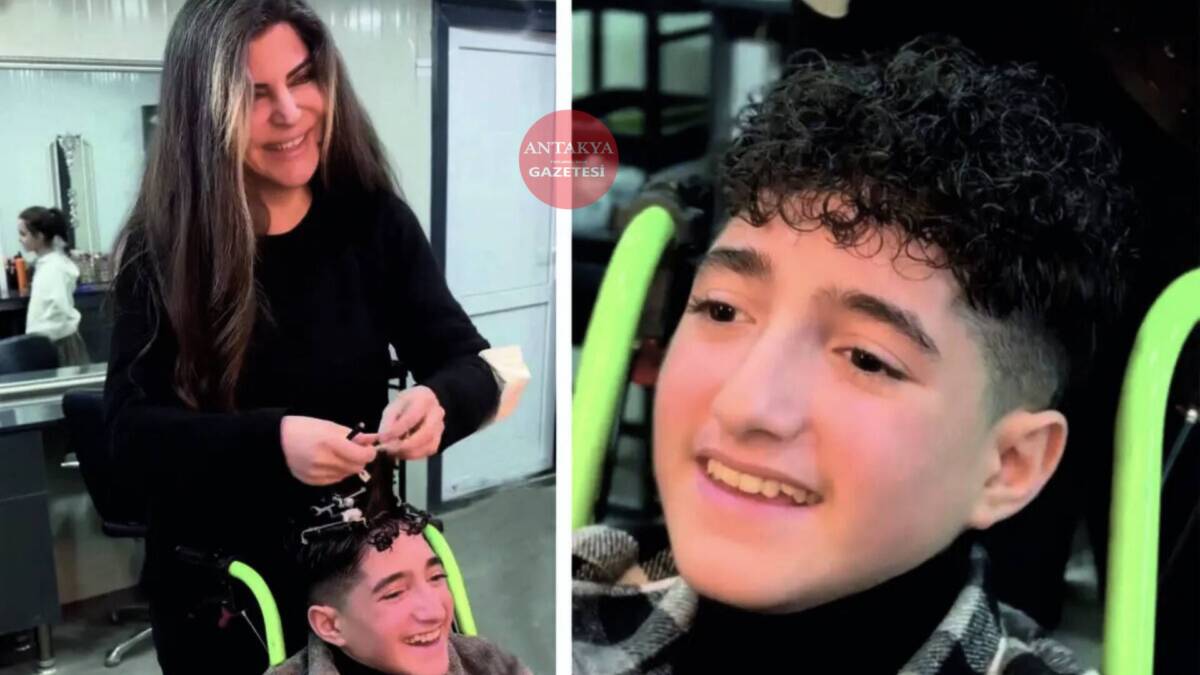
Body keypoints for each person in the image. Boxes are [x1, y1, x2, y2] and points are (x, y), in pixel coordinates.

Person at [572, 36, 1134, 674]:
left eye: (867, 359)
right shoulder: (567, 601)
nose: (746, 404)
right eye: (723, 311)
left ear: (1008, 465)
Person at [103, 1, 499, 672]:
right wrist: (272, 443)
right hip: (220, 597)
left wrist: (442, 401)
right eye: (255, 95)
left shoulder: (373, 223)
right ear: (205, 116)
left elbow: (471, 364)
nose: (290, 112)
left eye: (302, 78)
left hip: (361, 587)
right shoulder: (162, 251)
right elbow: (129, 437)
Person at [267, 501, 530, 675]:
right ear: (331, 625)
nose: (436, 612)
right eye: (395, 593)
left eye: (436, 577)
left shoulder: (489, 664)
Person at [16, 206, 89, 365]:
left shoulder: (54, 267)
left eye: (23, 234)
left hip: (58, 342)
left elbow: (60, 307)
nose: (20, 239)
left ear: (40, 236)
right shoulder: (46, 264)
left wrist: (42, 335)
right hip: (49, 340)